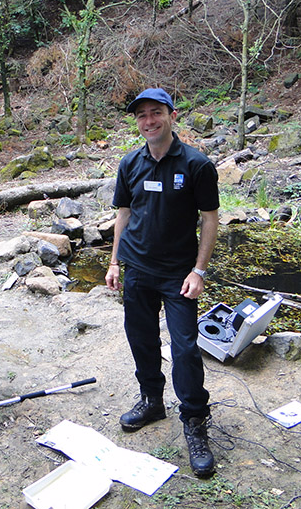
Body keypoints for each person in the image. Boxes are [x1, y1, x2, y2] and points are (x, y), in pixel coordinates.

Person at [105, 88, 220, 477]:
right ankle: (152, 400)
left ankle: (194, 422)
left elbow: (209, 219)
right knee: (141, 339)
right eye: (142, 116)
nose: (149, 121)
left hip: (177, 273)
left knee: (185, 349)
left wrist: (198, 271)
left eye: (156, 113)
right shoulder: (131, 163)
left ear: (172, 115)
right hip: (136, 268)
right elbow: (123, 212)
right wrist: (115, 261)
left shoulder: (196, 164)